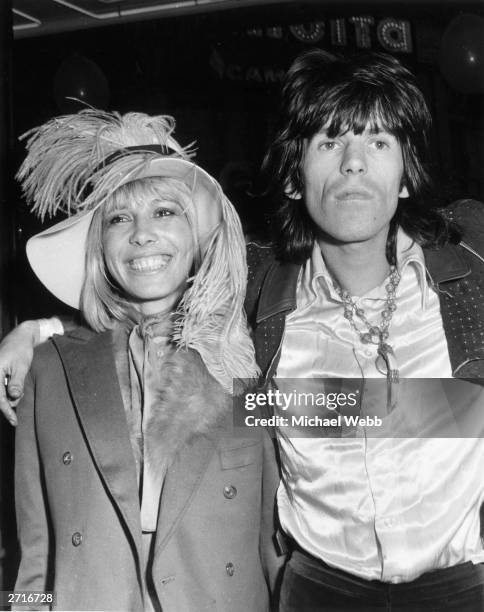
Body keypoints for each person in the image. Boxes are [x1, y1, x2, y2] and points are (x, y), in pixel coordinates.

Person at [2, 50, 484, 610]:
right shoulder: (258, 296)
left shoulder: (473, 262)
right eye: (329, 143)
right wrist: (39, 330)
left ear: (407, 176)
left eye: (378, 142)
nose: (354, 163)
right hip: (318, 590)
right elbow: (154, 301)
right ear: (294, 177)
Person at [9, 109, 280, 611]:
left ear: (198, 239)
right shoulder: (48, 370)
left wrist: (466, 406)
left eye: (164, 212)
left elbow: (282, 543)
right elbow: (33, 554)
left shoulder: (256, 362)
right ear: (100, 250)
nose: (142, 234)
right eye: (118, 218)